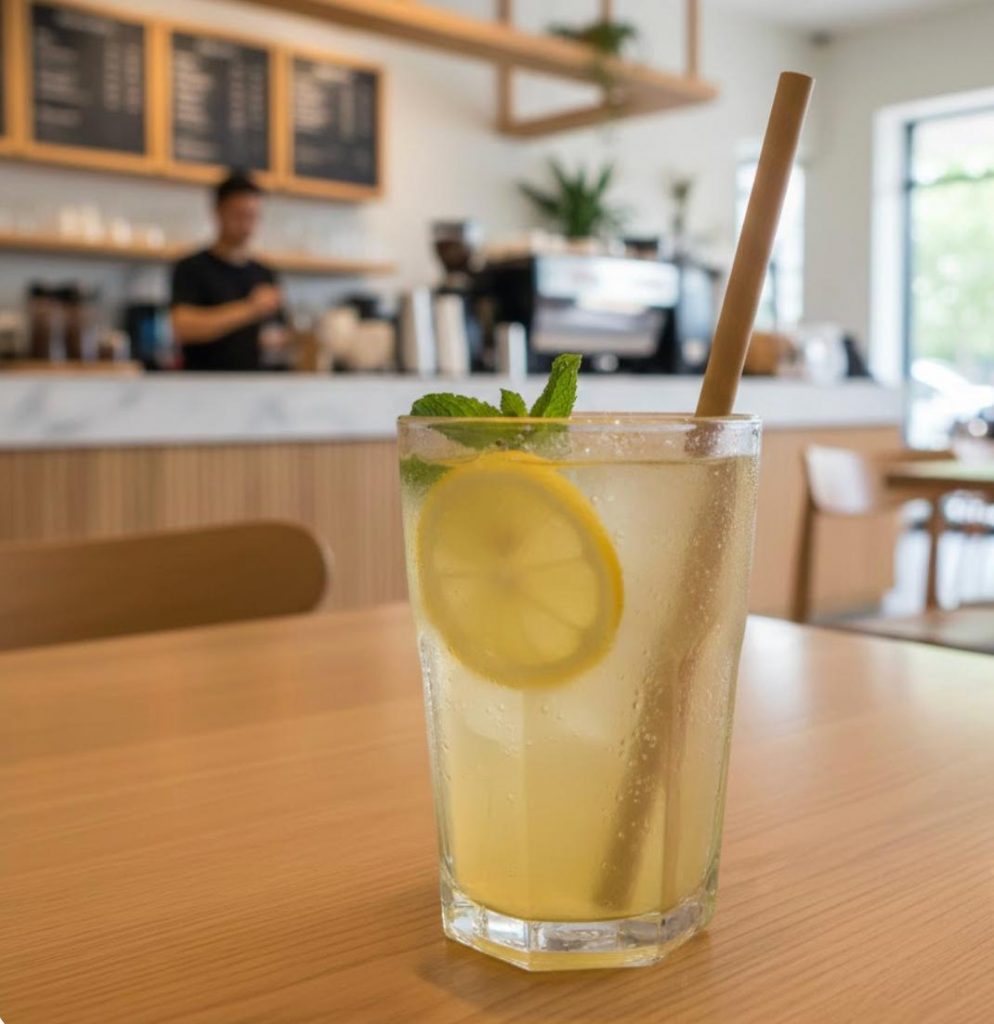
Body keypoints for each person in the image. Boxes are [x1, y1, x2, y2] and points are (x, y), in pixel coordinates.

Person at [170, 171, 288, 371]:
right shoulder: (191, 267)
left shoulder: (266, 272)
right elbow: (183, 327)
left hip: (257, 386)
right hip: (204, 387)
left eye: (253, 216)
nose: (246, 225)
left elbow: (279, 333)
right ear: (218, 212)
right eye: (239, 215)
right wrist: (251, 309)